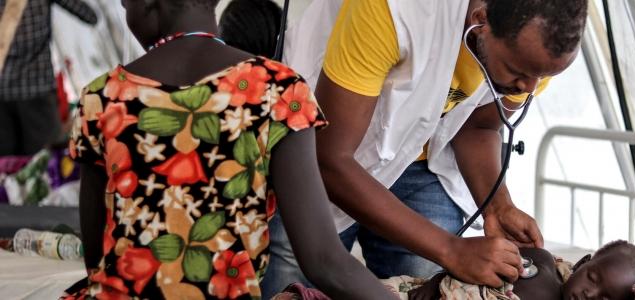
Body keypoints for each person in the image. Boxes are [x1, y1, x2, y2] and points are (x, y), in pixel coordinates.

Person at [61, 0, 394, 298]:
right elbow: (325, 262)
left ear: (148, 4)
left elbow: (97, 259)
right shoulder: (277, 92)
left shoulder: (103, 98)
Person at [264, 0, 588, 297]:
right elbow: (330, 160)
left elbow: (479, 126)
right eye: (518, 73)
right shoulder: (393, 9)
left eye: (542, 77)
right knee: (291, 280)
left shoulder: (536, 49)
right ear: (481, 21)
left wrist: (498, 206)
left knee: (429, 285)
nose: (529, 88)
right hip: (316, 148)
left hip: (421, 158)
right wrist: (450, 249)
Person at [385, 240, 635, 300]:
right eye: (593, 278)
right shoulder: (541, 261)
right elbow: (473, 265)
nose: (590, 294)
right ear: (583, 263)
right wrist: (436, 282)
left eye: (605, 299)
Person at [0, 0, 97, 156]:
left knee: (7, 166)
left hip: (3, 92)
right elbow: (90, 16)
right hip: (38, 90)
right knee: (47, 163)